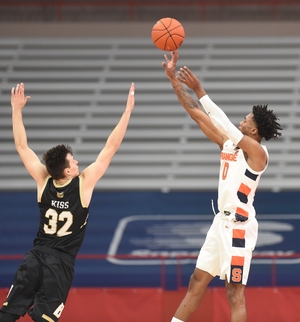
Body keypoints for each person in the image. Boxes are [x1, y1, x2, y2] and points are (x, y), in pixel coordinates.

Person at [162, 50, 282, 322]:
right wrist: (173, 80)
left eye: (247, 119)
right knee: (197, 281)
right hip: (220, 224)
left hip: (239, 228)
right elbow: (196, 113)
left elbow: (225, 124)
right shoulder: (229, 144)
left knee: (234, 292)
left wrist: (200, 88)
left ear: (253, 131)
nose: (243, 119)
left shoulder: (259, 155)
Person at [0, 82, 135, 322]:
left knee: (8, 314)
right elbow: (111, 147)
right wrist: (126, 113)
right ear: (68, 171)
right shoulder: (83, 184)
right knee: (45, 319)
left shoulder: (43, 180)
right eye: (73, 161)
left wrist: (16, 109)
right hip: (59, 263)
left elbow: (22, 147)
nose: (77, 162)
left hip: (35, 257)